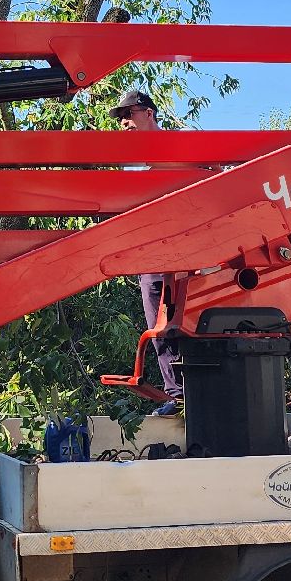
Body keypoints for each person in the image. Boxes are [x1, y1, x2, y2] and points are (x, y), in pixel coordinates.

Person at [110, 89, 182, 413]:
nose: (124, 122)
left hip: (185, 256)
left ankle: (195, 393)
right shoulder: (140, 172)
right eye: (121, 118)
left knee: (190, 324)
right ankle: (177, 396)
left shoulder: (182, 152)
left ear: (149, 113)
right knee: (159, 328)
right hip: (151, 258)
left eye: (129, 114)